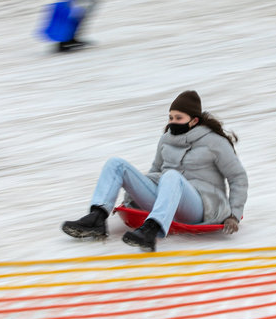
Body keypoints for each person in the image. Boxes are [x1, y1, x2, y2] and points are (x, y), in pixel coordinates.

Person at [61, 90, 248, 251]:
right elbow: (154, 171)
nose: (173, 122)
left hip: (199, 206)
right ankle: (97, 219)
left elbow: (237, 177)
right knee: (116, 163)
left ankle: (150, 231)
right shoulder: (166, 140)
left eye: (179, 118)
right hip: (165, 199)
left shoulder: (215, 142)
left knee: (172, 176)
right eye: (171, 117)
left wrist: (233, 214)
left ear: (194, 121)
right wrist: (132, 197)